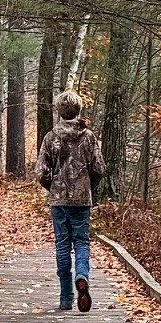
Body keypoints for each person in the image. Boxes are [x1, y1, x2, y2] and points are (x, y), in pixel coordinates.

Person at [34, 88, 104, 311]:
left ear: (59, 110)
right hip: (82, 200)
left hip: (59, 200)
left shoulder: (51, 138)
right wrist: (88, 186)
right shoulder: (89, 137)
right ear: (78, 110)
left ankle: (66, 297)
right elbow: (99, 168)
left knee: (62, 245)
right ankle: (82, 276)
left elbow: (41, 172)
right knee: (81, 242)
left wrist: (53, 187)